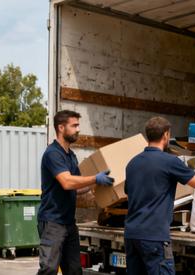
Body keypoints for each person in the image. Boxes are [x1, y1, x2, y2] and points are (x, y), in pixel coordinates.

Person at [124, 117, 195, 275]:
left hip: (131, 235)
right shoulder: (170, 162)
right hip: (154, 237)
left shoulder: (132, 163)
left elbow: (128, 192)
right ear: (166, 135)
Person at [38, 110, 115, 275]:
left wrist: (99, 186)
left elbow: (77, 187)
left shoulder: (71, 156)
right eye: (74, 125)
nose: (78, 129)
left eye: (78, 125)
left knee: (74, 270)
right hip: (52, 222)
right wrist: (95, 178)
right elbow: (67, 182)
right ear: (61, 128)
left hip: (68, 223)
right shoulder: (53, 153)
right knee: (49, 269)